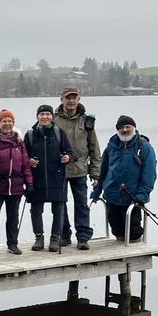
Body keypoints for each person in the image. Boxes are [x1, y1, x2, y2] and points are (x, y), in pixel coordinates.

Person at [91, 115, 157, 242]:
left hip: (133, 197)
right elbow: (102, 171)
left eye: (128, 126)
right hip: (112, 196)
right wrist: (96, 192)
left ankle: (137, 252)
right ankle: (120, 253)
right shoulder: (111, 147)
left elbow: (150, 174)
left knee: (134, 231)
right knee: (116, 228)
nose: (125, 130)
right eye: (121, 127)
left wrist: (141, 196)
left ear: (134, 128)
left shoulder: (144, 147)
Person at [55, 87, 102, 250]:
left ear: (79, 100)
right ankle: (64, 235)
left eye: (74, 98)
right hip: (58, 169)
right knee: (60, 203)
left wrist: (95, 173)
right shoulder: (53, 120)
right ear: (61, 99)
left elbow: (95, 149)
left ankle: (83, 237)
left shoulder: (86, 121)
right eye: (68, 97)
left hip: (80, 169)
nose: (71, 101)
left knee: (81, 204)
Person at [25, 105, 73, 252]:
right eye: (42, 114)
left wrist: (67, 157)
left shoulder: (59, 133)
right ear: (37, 116)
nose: (44, 117)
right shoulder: (31, 134)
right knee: (35, 210)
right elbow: (23, 155)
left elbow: (70, 152)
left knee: (58, 210)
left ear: (52, 116)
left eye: (47, 114)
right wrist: (29, 161)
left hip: (56, 178)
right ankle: (39, 238)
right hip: (37, 178)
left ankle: (55, 238)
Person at [0, 109, 33, 255]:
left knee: (13, 216)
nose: (7, 124)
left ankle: (12, 243)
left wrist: (29, 183)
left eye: (9, 121)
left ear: (13, 123)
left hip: (16, 184)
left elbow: (25, 163)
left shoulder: (19, 141)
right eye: (4, 121)